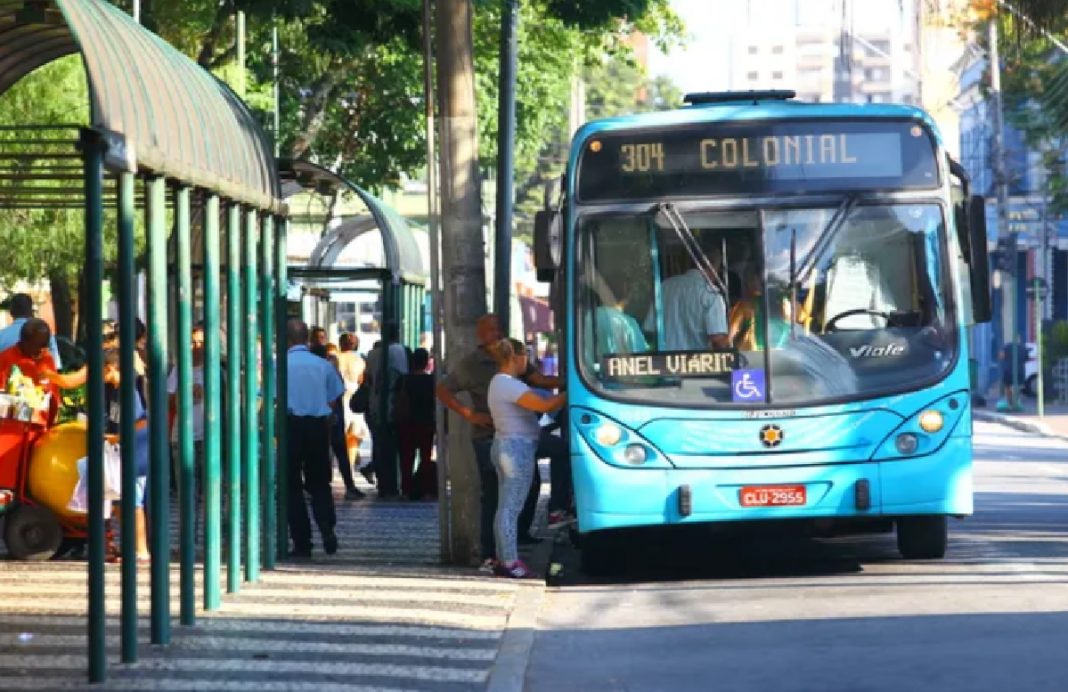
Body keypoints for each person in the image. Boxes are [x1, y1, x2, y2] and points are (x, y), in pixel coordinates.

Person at [437, 314, 572, 573]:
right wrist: (470, 414)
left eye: (498, 328)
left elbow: (540, 381)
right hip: (497, 439)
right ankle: (500, 556)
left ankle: (518, 539)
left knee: (523, 490)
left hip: (513, 437)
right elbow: (443, 389)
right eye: (490, 329)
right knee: (499, 500)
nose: (496, 333)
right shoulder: (478, 367)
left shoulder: (509, 371)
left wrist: (571, 381)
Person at [486, 337, 567, 579]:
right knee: (510, 508)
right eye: (526, 357)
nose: (528, 362)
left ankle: (504, 558)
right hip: (516, 449)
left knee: (506, 507)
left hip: (510, 445)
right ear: (515, 357)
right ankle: (509, 561)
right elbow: (544, 405)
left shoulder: (503, 383)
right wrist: (572, 389)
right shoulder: (507, 383)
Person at [285, 319, 344, 558]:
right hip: (318, 428)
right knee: (319, 482)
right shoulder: (323, 365)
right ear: (307, 338)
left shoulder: (280, 365)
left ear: (286, 339)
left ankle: (302, 541)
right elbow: (335, 396)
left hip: (291, 426)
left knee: (291, 486)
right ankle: (327, 528)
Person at [102, 348, 150, 563]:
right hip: (122, 454)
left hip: (136, 455)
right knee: (122, 502)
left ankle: (140, 550)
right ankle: (130, 546)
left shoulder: (128, 392)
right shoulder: (115, 391)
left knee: (133, 503)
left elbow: (141, 421)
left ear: (111, 368)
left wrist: (116, 437)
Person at [644, 241, 729, 351]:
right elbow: (717, 339)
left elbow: (650, 330)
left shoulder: (665, 286)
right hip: (699, 365)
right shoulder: (711, 296)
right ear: (711, 265)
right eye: (719, 267)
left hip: (664, 364)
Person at [364, 324, 408, 499]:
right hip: (393, 405)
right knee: (393, 445)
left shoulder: (372, 354)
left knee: (379, 442)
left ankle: (382, 481)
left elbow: (367, 379)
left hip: (374, 404)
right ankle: (391, 484)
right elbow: (403, 378)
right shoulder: (398, 351)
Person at [321, 344, 364, 500]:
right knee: (336, 452)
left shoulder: (326, 374)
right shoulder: (333, 376)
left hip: (332, 419)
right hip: (333, 419)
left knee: (332, 452)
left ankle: (332, 484)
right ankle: (346, 485)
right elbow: (336, 396)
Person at [395, 348, 437, 501]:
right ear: (426, 362)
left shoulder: (404, 380)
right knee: (425, 457)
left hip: (406, 423)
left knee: (406, 457)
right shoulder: (432, 381)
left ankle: (406, 490)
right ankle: (425, 490)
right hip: (426, 423)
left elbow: (396, 400)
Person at [0, 293, 62, 369]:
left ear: (11, 312)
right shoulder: (44, 333)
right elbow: (56, 366)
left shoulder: (2, 336)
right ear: (31, 310)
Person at [336, 333, 367, 468]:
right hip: (355, 400)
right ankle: (350, 463)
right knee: (354, 436)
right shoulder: (360, 361)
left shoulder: (335, 358)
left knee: (337, 435)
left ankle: (341, 463)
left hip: (339, 398)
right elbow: (361, 380)